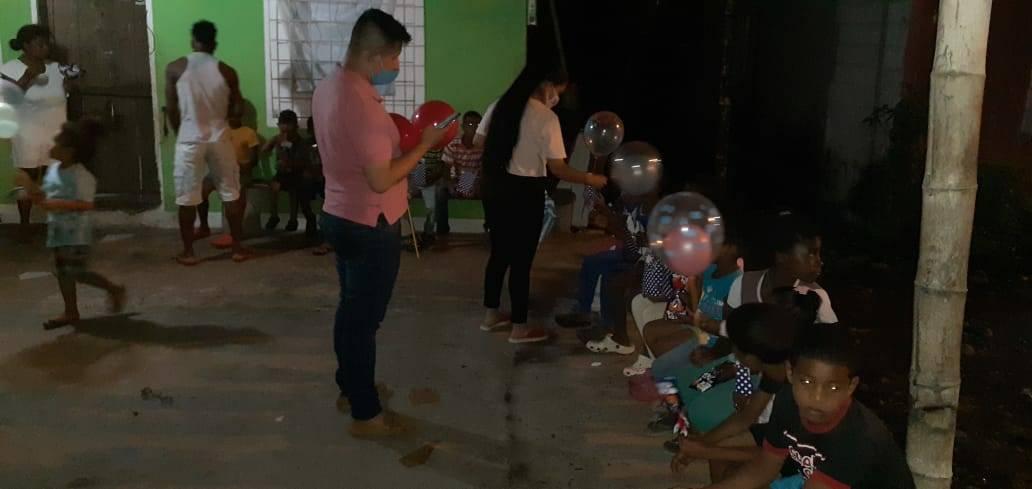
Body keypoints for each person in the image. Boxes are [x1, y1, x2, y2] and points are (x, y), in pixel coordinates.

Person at [312, 8, 451, 438]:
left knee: (350, 310)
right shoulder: (363, 108)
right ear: (373, 57)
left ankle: (351, 386)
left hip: (338, 213)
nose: (395, 67)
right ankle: (366, 413)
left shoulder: (328, 87)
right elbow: (381, 178)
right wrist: (424, 145)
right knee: (363, 322)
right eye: (393, 59)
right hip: (369, 224)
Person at [677, 326, 915, 489]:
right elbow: (764, 467)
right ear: (790, 373)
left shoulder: (859, 438)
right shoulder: (787, 399)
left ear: (851, 387)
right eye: (807, 382)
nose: (817, 398)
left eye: (832, 388)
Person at [476, 64, 608, 343]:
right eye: (558, 91)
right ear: (546, 86)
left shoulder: (500, 105)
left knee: (499, 254)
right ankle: (519, 328)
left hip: (496, 187)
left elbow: (478, 142)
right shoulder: (546, 118)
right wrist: (589, 178)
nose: (557, 98)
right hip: (526, 192)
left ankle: (490, 316)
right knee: (521, 261)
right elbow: (558, 168)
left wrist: (507, 153)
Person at [669, 290, 821, 482]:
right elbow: (745, 417)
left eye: (736, 348)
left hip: (804, 467)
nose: (733, 353)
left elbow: (780, 457)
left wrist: (706, 450)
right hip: (771, 437)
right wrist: (701, 443)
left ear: (751, 355)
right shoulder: (774, 369)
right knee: (719, 447)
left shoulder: (795, 393)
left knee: (721, 454)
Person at [15, 119, 126, 329]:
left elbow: (85, 204)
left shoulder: (81, 176)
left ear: (69, 152)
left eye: (57, 143)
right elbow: (45, 195)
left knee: (76, 272)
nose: (52, 147)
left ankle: (113, 289)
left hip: (76, 234)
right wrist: (29, 188)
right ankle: (70, 311)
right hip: (58, 232)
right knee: (62, 272)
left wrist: (54, 204)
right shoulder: (54, 170)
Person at [165, 20, 248, 265]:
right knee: (231, 193)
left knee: (187, 197)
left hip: (190, 138)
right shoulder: (227, 71)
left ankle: (189, 252)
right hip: (220, 136)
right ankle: (237, 249)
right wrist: (225, 119)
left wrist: (181, 131)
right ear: (214, 43)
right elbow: (239, 107)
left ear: (193, 41)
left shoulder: (175, 68)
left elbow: (172, 108)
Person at [623, 230, 741, 377]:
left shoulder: (736, 282)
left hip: (713, 338)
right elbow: (696, 303)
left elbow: (731, 331)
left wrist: (694, 320)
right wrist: (687, 295)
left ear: (730, 249)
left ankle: (679, 375)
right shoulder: (710, 270)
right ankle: (676, 372)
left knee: (660, 365)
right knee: (650, 329)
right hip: (700, 326)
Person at [1, 24, 67, 232]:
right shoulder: (10, 69)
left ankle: (55, 222)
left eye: (47, 44)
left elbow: (63, 94)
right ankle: (25, 224)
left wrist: (70, 83)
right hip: (27, 133)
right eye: (40, 44)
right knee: (27, 176)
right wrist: (26, 79)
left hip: (54, 130)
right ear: (26, 46)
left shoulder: (55, 68)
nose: (45, 48)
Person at [195, 111, 259, 240]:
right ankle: (204, 227)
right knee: (200, 192)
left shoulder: (248, 133)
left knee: (235, 198)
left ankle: (236, 233)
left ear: (241, 116)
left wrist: (240, 166)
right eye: (231, 116)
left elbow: (254, 160)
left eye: (236, 115)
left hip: (240, 172)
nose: (233, 118)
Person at [264, 109, 318, 236]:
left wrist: (287, 159)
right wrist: (273, 142)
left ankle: (293, 219)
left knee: (294, 191)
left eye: (289, 130)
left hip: (295, 173)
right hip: (281, 173)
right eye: (283, 130)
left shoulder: (300, 142)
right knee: (273, 187)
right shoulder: (277, 139)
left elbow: (302, 161)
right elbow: (265, 149)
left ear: (296, 127)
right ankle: (274, 216)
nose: (286, 133)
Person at [443, 111, 484, 199]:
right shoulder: (453, 144)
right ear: (463, 127)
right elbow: (446, 167)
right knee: (442, 190)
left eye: (478, 125)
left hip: (476, 181)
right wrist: (450, 183)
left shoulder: (484, 146)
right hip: (457, 179)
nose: (474, 127)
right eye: (470, 124)